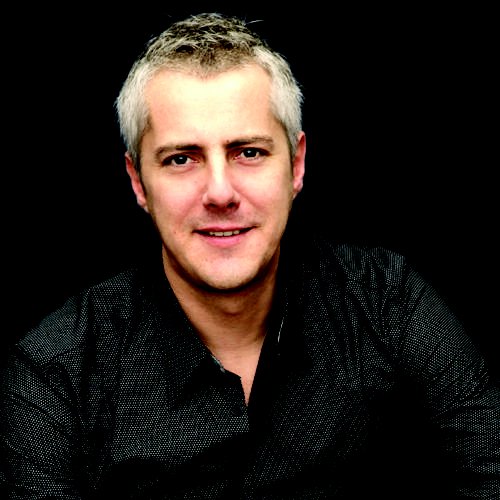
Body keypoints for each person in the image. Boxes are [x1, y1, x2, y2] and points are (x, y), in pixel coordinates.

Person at [1, 12, 499, 499]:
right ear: (138, 182)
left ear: (296, 164)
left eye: (249, 152)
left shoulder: (386, 299)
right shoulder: (56, 372)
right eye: (181, 158)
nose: (220, 192)